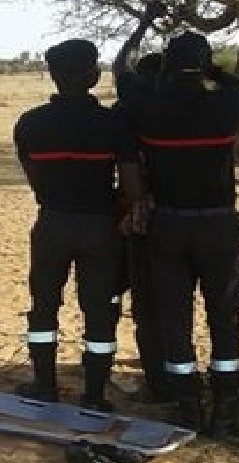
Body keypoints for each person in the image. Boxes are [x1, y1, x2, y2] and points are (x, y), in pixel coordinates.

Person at [119, 28, 239, 437]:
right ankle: (225, 412)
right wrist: (211, 70)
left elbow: (123, 69)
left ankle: (187, 408)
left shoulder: (147, 108)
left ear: (166, 65)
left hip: (170, 226)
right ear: (206, 64)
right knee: (224, 317)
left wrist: (145, 44)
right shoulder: (228, 105)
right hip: (218, 223)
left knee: (174, 318)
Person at [13, 38, 143, 412]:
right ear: (93, 75)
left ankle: (43, 385)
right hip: (100, 226)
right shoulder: (113, 123)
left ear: (53, 75)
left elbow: (35, 178)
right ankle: (95, 395)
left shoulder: (30, 123)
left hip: (52, 222)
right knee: (100, 309)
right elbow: (132, 188)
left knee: (43, 306)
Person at [112, 1, 173, 403]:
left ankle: (156, 377)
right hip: (179, 214)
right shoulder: (180, 107)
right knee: (175, 298)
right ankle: (173, 369)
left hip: (136, 217)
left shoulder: (130, 104)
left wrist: (144, 22)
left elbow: (121, 63)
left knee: (144, 301)